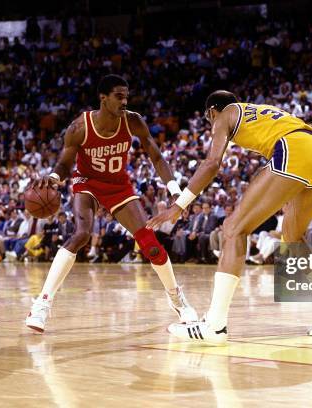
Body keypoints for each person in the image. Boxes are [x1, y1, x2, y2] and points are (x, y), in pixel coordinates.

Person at [148, 90, 312, 345]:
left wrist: (179, 205)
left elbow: (212, 163)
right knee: (293, 237)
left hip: (295, 150)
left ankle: (215, 324)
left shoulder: (224, 115)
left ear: (211, 112)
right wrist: (309, 199)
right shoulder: (261, 111)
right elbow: (297, 157)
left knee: (232, 229)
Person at [25, 74, 197, 333]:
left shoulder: (133, 121)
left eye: (126, 96)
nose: (124, 101)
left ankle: (178, 300)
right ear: (103, 98)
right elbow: (64, 163)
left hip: (119, 186)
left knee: (150, 244)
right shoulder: (79, 128)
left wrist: (174, 190)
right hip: (87, 182)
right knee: (82, 234)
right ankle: (42, 304)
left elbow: (157, 157)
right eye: (119, 96)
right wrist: (52, 177)